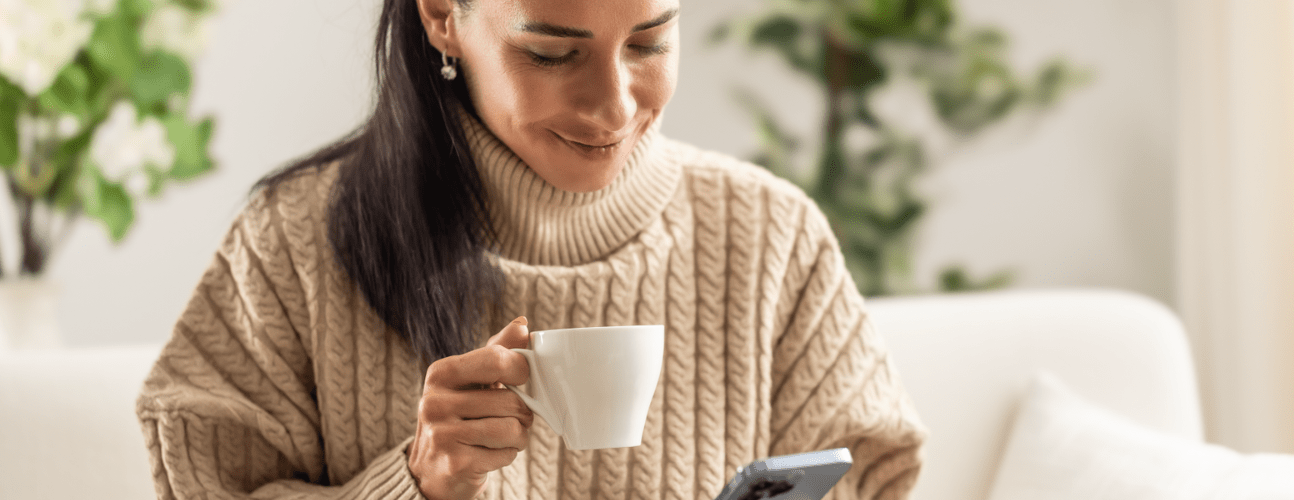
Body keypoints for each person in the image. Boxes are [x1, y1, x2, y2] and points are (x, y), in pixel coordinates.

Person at [134, 0, 928, 498]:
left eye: (649, 41)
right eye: (553, 53)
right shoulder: (292, 241)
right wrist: (417, 485)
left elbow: (873, 475)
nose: (614, 105)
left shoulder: (771, 236)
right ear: (442, 16)